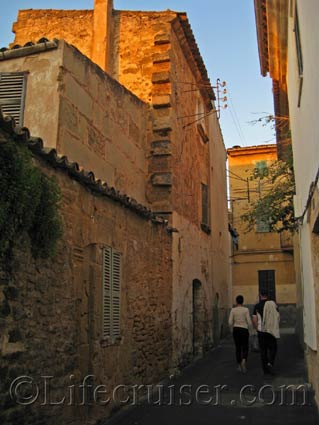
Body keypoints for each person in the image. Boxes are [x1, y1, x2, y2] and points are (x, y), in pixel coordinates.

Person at [252, 291, 280, 375]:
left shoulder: (257, 306)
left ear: (260, 295)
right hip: (271, 331)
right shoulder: (273, 305)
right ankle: (270, 362)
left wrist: (257, 328)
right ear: (267, 295)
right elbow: (278, 316)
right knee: (273, 348)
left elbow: (254, 319)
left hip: (261, 331)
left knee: (263, 351)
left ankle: (265, 370)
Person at [228, 295, 252, 373]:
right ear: (243, 301)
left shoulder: (233, 310)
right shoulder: (246, 310)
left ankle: (239, 365)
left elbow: (230, 322)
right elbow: (249, 321)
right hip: (244, 329)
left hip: (236, 329)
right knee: (245, 346)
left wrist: (232, 329)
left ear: (236, 301)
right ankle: (244, 361)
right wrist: (251, 330)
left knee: (238, 347)